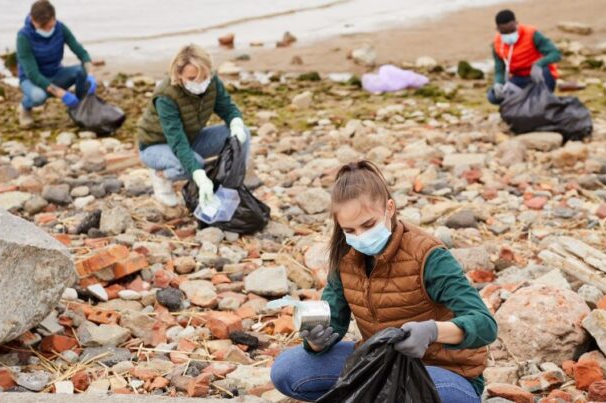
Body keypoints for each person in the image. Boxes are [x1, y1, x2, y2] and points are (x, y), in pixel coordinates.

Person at [271, 161, 498, 402]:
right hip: (378, 361)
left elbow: (485, 324)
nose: (360, 236)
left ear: (389, 208)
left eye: (368, 224)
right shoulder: (345, 257)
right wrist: (316, 343)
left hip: (442, 370)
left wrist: (432, 331)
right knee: (287, 370)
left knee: (417, 396)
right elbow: (334, 323)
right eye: (350, 229)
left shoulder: (428, 256)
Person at [136, 44, 251, 207]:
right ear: (179, 74)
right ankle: (161, 175)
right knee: (194, 163)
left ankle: (232, 186)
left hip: (191, 138)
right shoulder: (166, 96)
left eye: (203, 77)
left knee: (242, 134)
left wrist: (236, 123)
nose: (199, 83)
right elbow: (177, 141)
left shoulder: (212, 82)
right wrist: (200, 177)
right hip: (155, 147)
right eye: (191, 78)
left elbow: (227, 108)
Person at [16, 0, 97, 128]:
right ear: (32, 20)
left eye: (49, 26)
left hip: (55, 73)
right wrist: (62, 94)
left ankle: (81, 109)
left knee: (81, 72)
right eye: (42, 27)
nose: (47, 29)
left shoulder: (60, 28)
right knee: (39, 96)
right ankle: (25, 107)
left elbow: (81, 53)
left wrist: (91, 74)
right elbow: (33, 74)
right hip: (31, 79)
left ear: (54, 17)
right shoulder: (23, 37)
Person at [487, 9, 561, 105]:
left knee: (544, 74)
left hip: (539, 75)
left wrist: (538, 64)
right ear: (498, 29)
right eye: (505, 32)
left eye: (512, 30)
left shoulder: (531, 34)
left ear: (516, 23)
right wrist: (498, 83)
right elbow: (499, 70)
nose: (509, 34)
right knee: (493, 96)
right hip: (519, 79)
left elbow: (555, 54)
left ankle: (541, 99)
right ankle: (523, 102)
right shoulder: (497, 44)